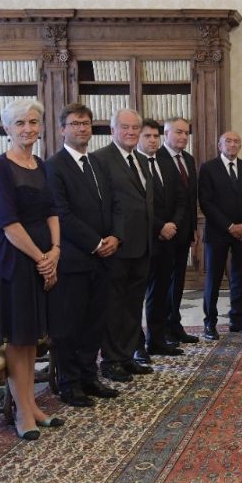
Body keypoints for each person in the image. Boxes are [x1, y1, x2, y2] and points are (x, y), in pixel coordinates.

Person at [0, 98, 63, 439]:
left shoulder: (39, 164)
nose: (27, 128)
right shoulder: (1, 167)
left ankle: (32, 405)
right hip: (13, 263)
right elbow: (9, 224)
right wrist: (42, 258)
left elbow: (52, 210)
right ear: (7, 128)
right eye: (20, 123)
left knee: (30, 339)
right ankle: (22, 413)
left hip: (41, 259)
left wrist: (55, 251)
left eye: (33, 122)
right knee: (17, 339)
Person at [45, 103, 120, 407]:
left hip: (103, 258)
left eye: (86, 123)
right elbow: (61, 214)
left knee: (94, 323)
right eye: (75, 123)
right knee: (69, 326)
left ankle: (90, 377)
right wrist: (95, 242)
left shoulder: (98, 163)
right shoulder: (54, 166)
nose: (81, 128)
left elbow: (114, 204)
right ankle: (70, 383)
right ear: (62, 129)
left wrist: (115, 237)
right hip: (74, 259)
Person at [92, 109, 154, 382]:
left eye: (135, 128)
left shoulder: (139, 159)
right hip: (117, 246)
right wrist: (111, 236)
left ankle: (127, 357)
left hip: (142, 245)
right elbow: (101, 203)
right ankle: (111, 361)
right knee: (114, 307)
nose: (130, 132)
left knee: (133, 305)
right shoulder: (101, 159)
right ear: (112, 130)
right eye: (125, 127)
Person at [198, 132, 242, 340]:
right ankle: (210, 323)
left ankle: (237, 320)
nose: (232, 145)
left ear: (240, 146)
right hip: (218, 232)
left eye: (236, 142)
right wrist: (229, 226)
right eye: (228, 141)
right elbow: (206, 202)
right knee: (214, 278)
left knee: (239, 277)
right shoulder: (208, 168)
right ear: (220, 145)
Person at [137, 118, 186, 360]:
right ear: (138, 138)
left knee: (160, 293)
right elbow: (136, 205)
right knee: (136, 296)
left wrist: (172, 225)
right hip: (143, 239)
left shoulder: (166, 164)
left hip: (167, 240)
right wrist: (160, 226)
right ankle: (136, 346)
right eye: (147, 136)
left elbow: (180, 199)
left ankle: (156, 340)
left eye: (156, 136)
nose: (153, 140)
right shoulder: (133, 164)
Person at [158, 117, 200, 344]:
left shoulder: (188, 159)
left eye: (186, 133)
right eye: (179, 132)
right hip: (164, 232)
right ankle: (162, 328)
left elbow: (190, 198)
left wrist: (193, 228)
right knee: (163, 282)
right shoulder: (157, 158)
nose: (184, 137)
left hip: (184, 232)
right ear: (166, 134)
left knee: (178, 282)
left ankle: (175, 324)